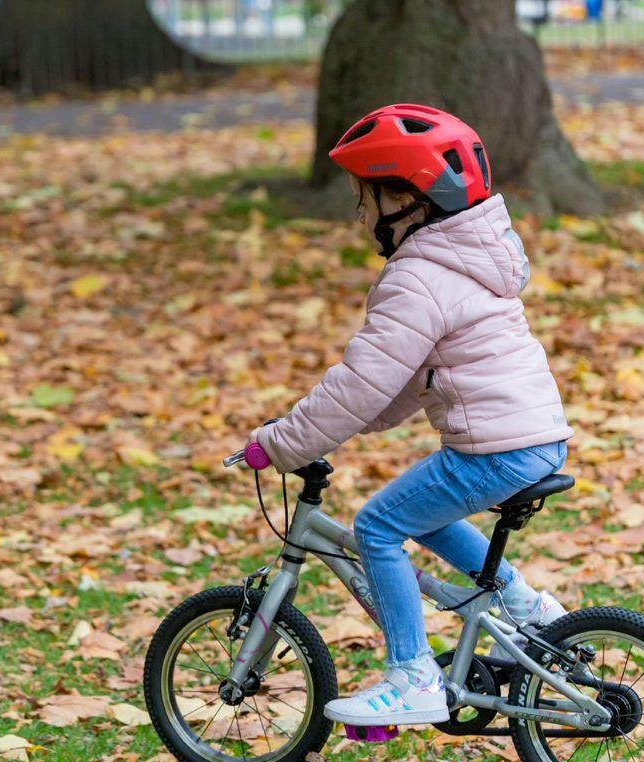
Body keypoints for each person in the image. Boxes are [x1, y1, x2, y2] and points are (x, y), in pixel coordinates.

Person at [245, 104, 574, 728]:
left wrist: (282, 443)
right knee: (421, 513)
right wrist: (355, 423)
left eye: (364, 198)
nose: (359, 215)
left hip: (496, 448)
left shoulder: (417, 277)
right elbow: (398, 381)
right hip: (534, 438)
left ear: (407, 198)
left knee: (375, 527)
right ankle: (526, 605)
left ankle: (412, 676)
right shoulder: (464, 261)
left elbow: (362, 382)